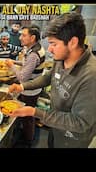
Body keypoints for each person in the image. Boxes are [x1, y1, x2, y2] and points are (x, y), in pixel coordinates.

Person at [8, 12, 96, 148]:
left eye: (53, 44)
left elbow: (80, 122)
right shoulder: (61, 59)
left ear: (72, 42)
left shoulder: (91, 75)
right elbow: (48, 78)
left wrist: (35, 112)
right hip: (55, 128)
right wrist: (22, 87)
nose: (49, 49)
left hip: (72, 139)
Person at [5, 24, 46, 147]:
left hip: (30, 91)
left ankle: (28, 139)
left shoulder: (33, 54)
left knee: (28, 116)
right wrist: (15, 62)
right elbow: (25, 63)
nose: (20, 38)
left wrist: (12, 66)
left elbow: (22, 77)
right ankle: (26, 133)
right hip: (33, 88)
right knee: (26, 114)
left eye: (23, 35)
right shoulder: (35, 48)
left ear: (32, 37)